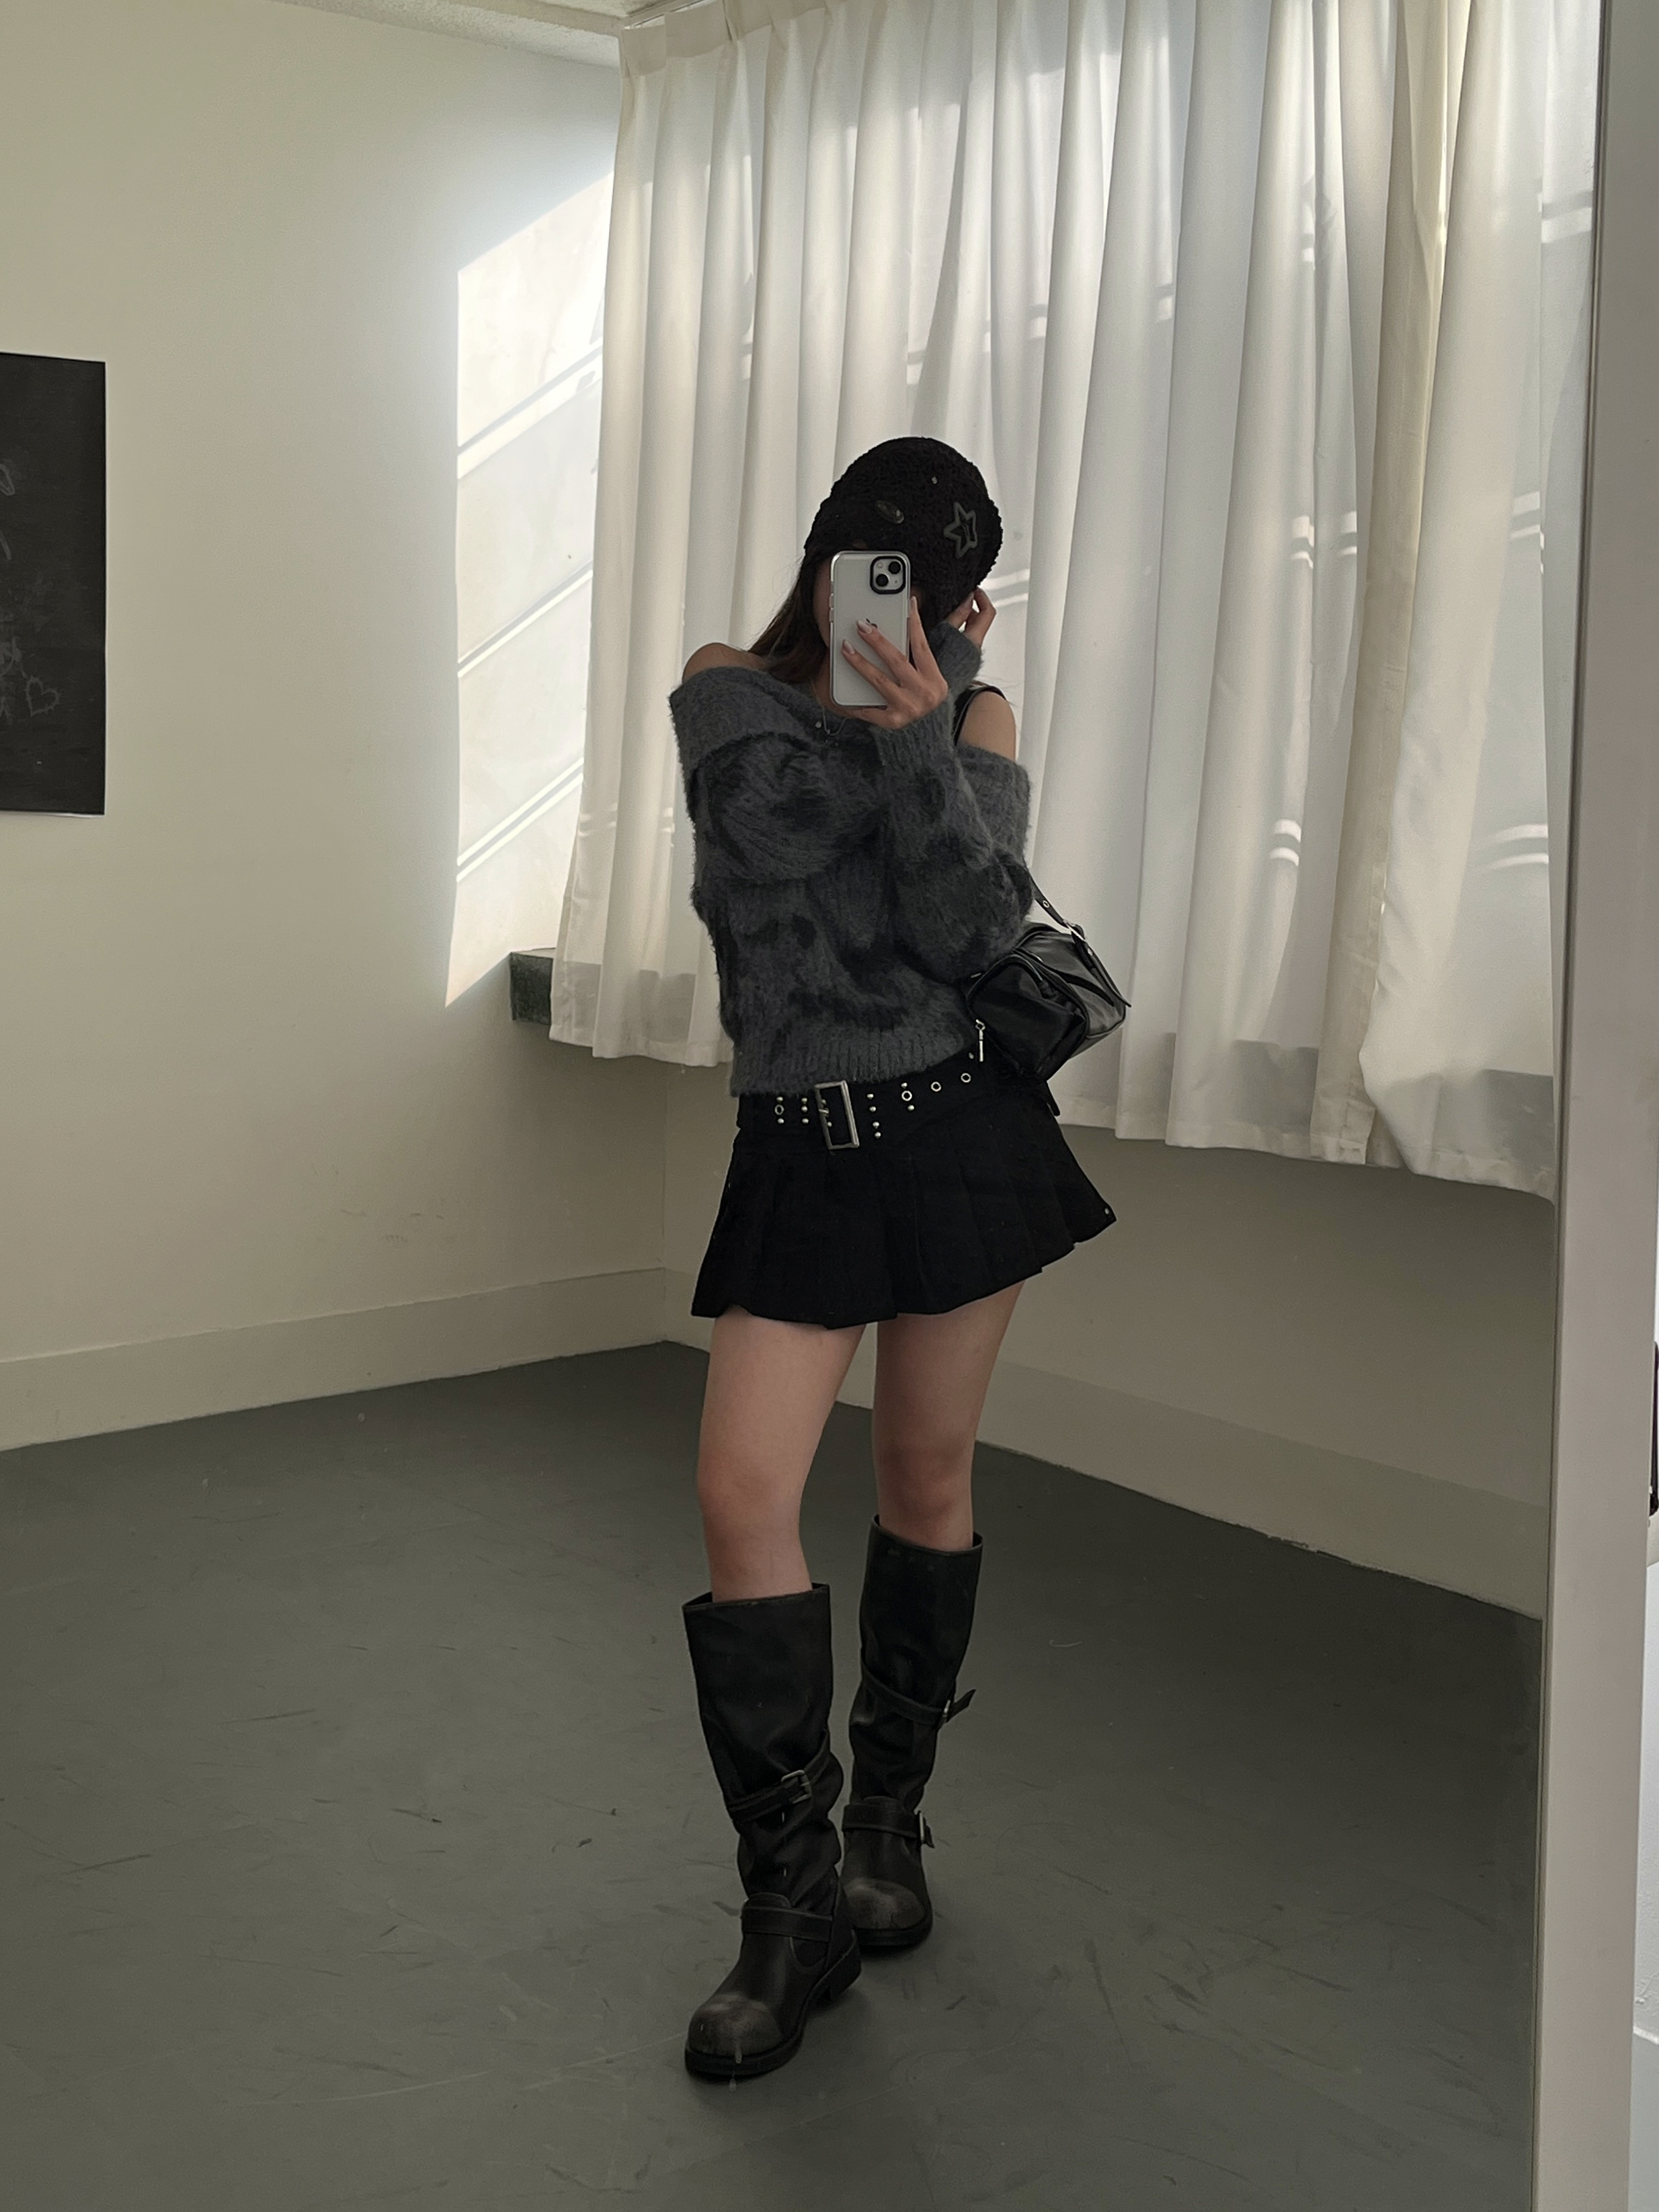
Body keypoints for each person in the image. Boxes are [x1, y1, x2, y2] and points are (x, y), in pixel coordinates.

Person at [667, 436, 1115, 2081]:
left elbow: (967, 930)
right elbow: (770, 848)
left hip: (953, 1129)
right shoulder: (724, 689)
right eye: (878, 571)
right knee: (742, 1494)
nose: (898, 606)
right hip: (797, 1146)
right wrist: (907, 737)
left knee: (925, 1475)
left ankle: (885, 1832)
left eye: (928, 588)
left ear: (956, 599)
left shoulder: (973, 719)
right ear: (830, 561)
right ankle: (791, 1914)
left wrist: (936, 728)